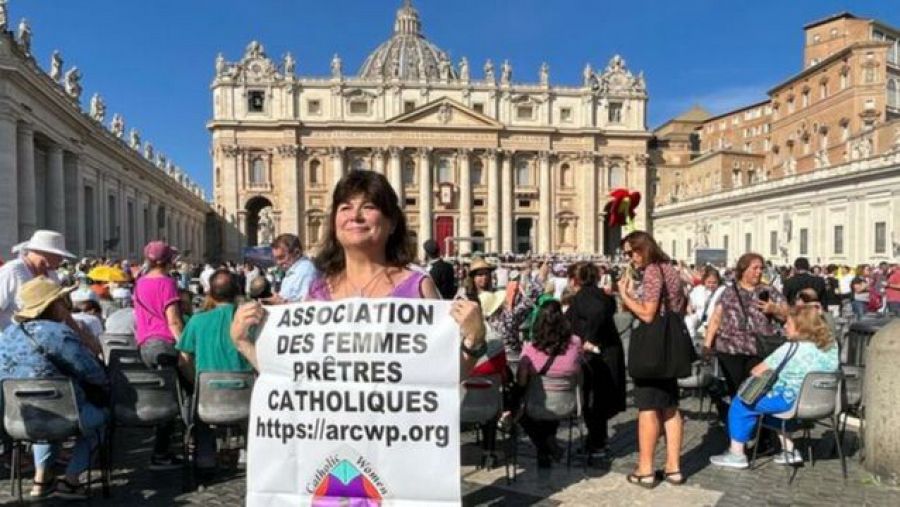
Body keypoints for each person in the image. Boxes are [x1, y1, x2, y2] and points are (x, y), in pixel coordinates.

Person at [229, 170, 486, 375]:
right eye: (345, 207)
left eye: (369, 206)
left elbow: (444, 377)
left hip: (398, 435)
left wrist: (474, 340)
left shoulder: (418, 286)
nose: (355, 216)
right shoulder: (317, 292)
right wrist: (243, 342)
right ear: (334, 223)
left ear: (392, 222)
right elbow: (293, 378)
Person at [0, 276, 108, 499]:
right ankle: (71, 480)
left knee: (48, 412)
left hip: (20, 420)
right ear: (52, 305)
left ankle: (41, 479)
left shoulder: (7, 335)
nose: (66, 306)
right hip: (63, 414)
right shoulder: (59, 334)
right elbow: (92, 373)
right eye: (62, 301)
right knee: (101, 416)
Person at [709, 304, 839, 469]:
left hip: (790, 400)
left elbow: (757, 370)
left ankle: (737, 454)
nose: (784, 326)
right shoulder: (831, 347)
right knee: (774, 412)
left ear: (801, 328)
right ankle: (789, 451)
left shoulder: (791, 348)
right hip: (823, 402)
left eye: (789, 324)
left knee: (741, 403)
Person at [616, 230, 687, 487]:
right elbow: (673, 306)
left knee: (647, 406)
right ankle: (673, 468)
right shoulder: (670, 269)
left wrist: (624, 296)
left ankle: (645, 469)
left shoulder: (653, 271)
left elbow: (647, 314)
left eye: (631, 252)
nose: (630, 259)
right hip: (670, 346)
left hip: (652, 347)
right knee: (670, 406)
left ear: (642, 248)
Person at [176, 269, 252, 480]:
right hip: (244, 396)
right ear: (238, 291)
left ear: (209, 292)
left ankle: (205, 459)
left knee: (197, 411)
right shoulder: (249, 320)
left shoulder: (197, 321)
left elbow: (183, 360)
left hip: (208, 398)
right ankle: (249, 454)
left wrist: (196, 382)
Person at [703, 253, 789, 399]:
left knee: (754, 392)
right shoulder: (729, 291)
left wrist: (774, 309)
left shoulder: (769, 291)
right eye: (755, 268)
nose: (759, 271)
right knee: (735, 391)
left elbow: (787, 316)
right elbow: (716, 318)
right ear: (743, 270)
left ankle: (751, 419)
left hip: (758, 349)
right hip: (730, 349)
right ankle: (736, 419)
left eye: (761, 268)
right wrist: (707, 345)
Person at [510, 298, 581, 468]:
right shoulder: (575, 343)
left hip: (537, 405)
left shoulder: (530, 349)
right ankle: (548, 446)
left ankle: (545, 446)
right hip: (567, 405)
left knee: (518, 408)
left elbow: (521, 381)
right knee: (549, 400)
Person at [565, 261, 625, 459]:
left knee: (593, 400)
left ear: (575, 279)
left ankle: (597, 444)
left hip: (596, 355)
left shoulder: (585, 296)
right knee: (599, 400)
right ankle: (598, 440)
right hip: (608, 352)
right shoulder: (601, 295)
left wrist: (589, 339)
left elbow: (596, 314)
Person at [133, 240, 184, 469]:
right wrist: (185, 346)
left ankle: (161, 447)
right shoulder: (167, 283)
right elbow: (172, 319)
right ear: (168, 261)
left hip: (144, 344)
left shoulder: (140, 283)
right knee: (171, 398)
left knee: (158, 395)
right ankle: (161, 453)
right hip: (164, 344)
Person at [0, 230, 73, 328]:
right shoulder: (12, 271)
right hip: (14, 338)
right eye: (58, 255)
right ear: (43, 253)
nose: (60, 260)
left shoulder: (52, 274)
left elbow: (62, 311)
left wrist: (83, 335)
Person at [268, 234, 316, 303]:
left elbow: (306, 304)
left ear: (297, 253)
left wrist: (282, 302)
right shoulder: (292, 271)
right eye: (276, 259)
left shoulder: (306, 271)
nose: (278, 263)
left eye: (281, 257)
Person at [685, 267, 724, 340]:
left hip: (715, 323)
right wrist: (690, 309)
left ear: (718, 281)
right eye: (709, 282)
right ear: (704, 281)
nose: (711, 285)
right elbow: (690, 303)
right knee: (688, 321)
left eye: (714, 282)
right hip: (700, 321)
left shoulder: (722, 291)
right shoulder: (698, 290)